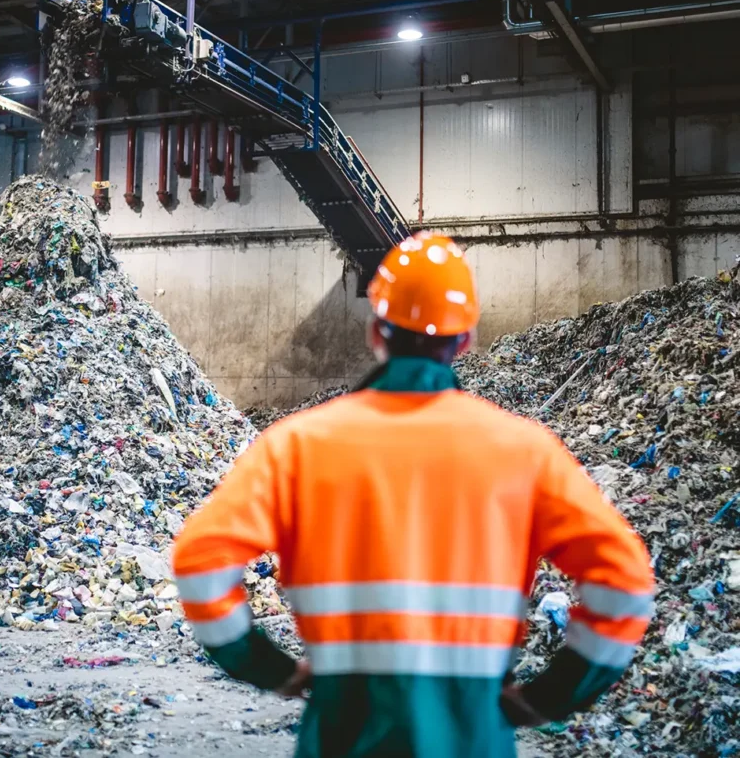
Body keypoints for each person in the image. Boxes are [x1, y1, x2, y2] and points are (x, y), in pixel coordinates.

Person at [171, 232, 654, 758]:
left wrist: (270, 668)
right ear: (465, 340)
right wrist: (549, 696)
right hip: (472, 733)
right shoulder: (525, 450)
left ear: (376, 330)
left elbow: (201, 561)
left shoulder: (296, 445)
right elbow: (625, 584)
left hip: (342, 731)